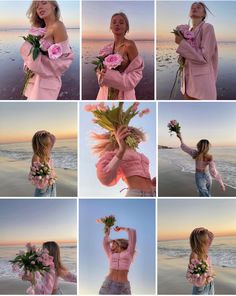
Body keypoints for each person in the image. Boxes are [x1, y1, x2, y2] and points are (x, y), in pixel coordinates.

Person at [20, 0, 74, 100]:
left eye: (44, 3)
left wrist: (34, 64)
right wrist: (28, 65)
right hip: (35, 78)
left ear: (54, 6)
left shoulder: (58, 26)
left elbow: (63, 61)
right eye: (36, 6)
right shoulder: (40, 29)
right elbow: (30, 52)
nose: (39, 7)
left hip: (47, 81)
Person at [95, 125, 156, 197]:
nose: (138, 139)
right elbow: (104, 178)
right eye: (135, 135)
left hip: (154, 192)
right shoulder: (115, 153)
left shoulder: (139, 154)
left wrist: (153, 182)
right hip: (137, 194)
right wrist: (121, 150)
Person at [174, 2, 218, 99]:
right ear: (189, 13)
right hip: (187, 84)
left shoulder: (207, 28)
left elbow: (204, 57)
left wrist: (181, 43)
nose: (194, 8)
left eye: (198, 7)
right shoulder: (188, 31)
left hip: (202, 85)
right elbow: (186, 57)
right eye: (192, 7)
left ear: (204, 14)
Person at [97, 12, 144, 100]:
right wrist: (100, 72)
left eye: (121, 22)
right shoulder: (106, 48)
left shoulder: (129, 45)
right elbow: (100, 69)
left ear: (127, 27)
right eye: (114, 22)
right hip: (105, 93)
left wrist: (110, 75)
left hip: (122, 95)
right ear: (110, 27)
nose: (117, 24)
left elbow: (137, 73)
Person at [176, 132, 225, 196]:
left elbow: (185, 147)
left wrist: (181, 139)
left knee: (205, 194)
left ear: (199, 146)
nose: (197, 146)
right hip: (207, 176)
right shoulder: (208, 156)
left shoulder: (196, 153)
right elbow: (214, 171)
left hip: (200, 176)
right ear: (207, 148)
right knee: (206, 194)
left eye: (198, 145)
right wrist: (221, 184)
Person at [99, 226, 136, 294]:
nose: (111, 245)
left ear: (119, 243)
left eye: (113, 243)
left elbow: (132, 233)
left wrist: (122, 229)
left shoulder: (129, 252)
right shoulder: (111, 254)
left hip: (123, 287)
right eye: (111, 243)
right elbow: (105, 244)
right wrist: (107, 233)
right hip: (108, 284)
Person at [187, 227, 215, 294]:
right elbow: (195, 274)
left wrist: (212, 273)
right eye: (207, 242)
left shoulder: (204, 252)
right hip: (201, 286)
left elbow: (209, 267)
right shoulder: (195, 255)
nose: (209, 243)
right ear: (200, 243)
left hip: (210, 283)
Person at [30, 130, 57, 197]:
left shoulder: (47, 155)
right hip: (43, 188)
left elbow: (53, 139)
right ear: (41, 146)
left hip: (52, 185)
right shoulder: (37, 156)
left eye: (50, 144)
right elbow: (36, 174)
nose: (50, 147)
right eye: (47, 145)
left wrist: (46, 133)